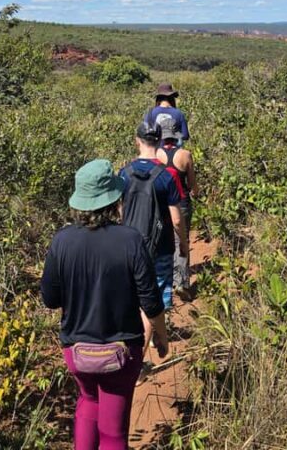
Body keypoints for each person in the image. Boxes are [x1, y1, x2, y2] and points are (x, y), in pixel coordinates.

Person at [41, 158, 168, 450]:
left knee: (88, 401)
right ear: (114, 199)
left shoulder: (62, 241)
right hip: (121, 352)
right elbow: (150, 300)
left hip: (77, 350)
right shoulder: (130, 240)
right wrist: (161, 335)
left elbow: (50, 299)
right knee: (113, 433)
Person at [120, 123, 188, 355]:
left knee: (134, 299)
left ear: (136, 140)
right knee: (154, 299)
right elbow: (177, 220)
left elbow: (121, 211)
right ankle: (138, 362)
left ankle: (149, 340)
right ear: (159, 141)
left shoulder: (124, 173)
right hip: (160, 247)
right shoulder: (166, 176)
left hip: (128, 246)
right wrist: (184, 247)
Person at [156, 117, 199, 301]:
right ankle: (181, 282)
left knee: (164, 241)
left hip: (161, 204)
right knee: (181, 239)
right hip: (181, 203)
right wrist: (196, 192)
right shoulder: (185, 155)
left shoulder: (156, 154)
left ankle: (166, 282)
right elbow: (192, 184)